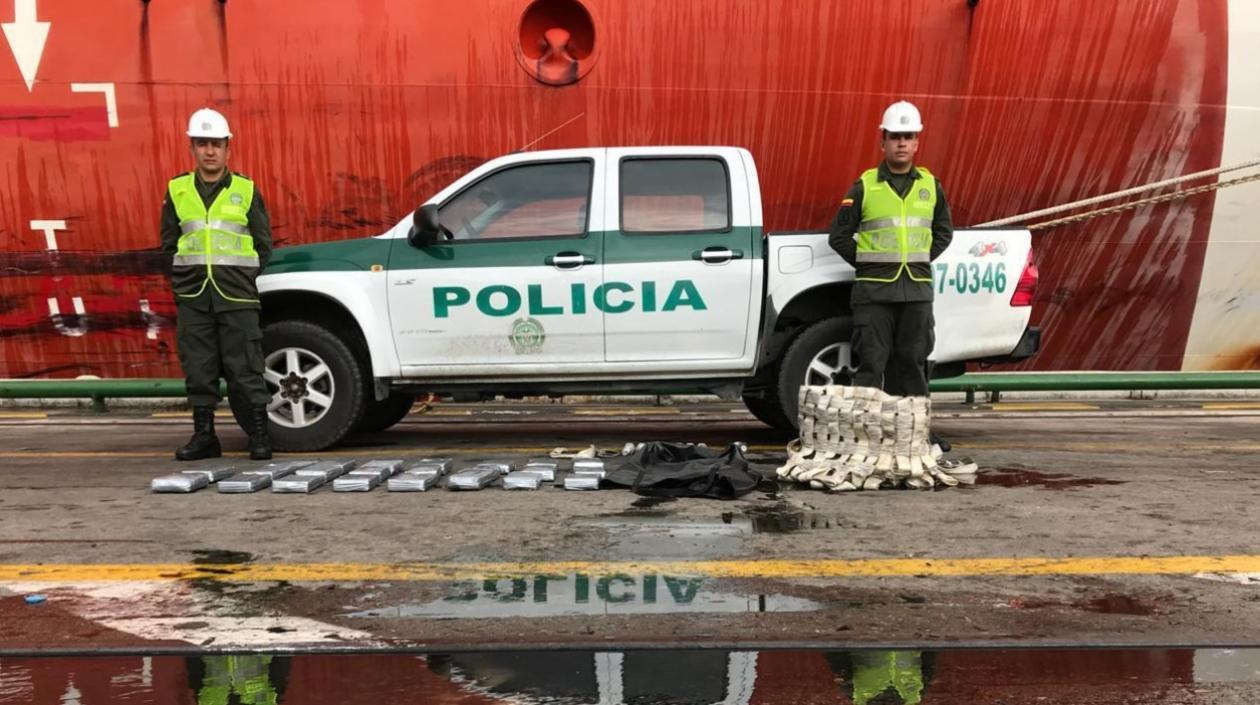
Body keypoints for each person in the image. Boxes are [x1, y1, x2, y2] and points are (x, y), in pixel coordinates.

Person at [828, 100, 953, 449]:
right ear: (882, 141)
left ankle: (917, 435)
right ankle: (862, 436)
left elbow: (944, 232)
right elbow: (838, 236)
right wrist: (869, 264)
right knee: (871, 364)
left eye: (908, 136)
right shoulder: (865, 186)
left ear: (917, 143)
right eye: (895, 136)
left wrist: (919, 260)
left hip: (915, 292)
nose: (901, 143)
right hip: (874, 295)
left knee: (913, 364)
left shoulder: (931, 187)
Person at [160, 108, 273, 461]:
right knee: (199, 369)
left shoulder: (246, 190)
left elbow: (263, 245)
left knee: (246, 368)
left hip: (237, 296)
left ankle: (259, 436)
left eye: (216, 144)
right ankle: (205, 437)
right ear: (192, 148)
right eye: (202, 143)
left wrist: (243, 279)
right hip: (194, 295)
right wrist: (182, 280)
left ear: (228, 149)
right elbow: (168, 244)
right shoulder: (177, 191)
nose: (209, 151)